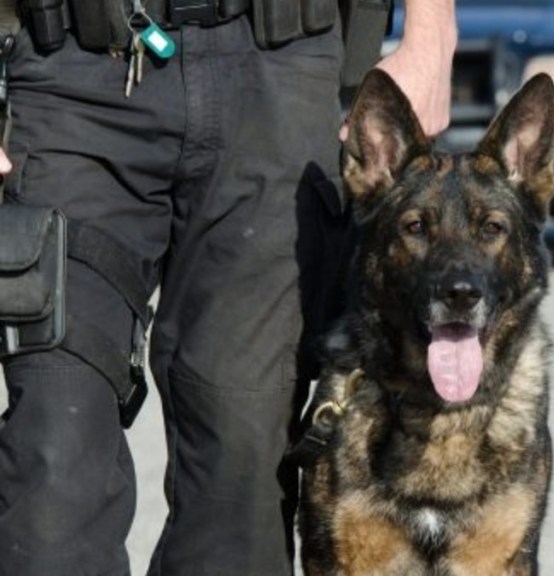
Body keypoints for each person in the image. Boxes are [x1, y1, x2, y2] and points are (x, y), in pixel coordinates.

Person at [0, 0, 455, 574]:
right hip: (68, 74)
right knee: (53, 455)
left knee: (241, 473)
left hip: (276, 65)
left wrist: (430, 29)